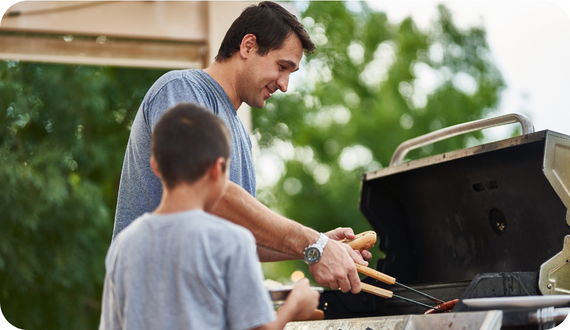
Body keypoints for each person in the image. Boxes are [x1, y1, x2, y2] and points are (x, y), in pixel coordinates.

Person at [113, 1, 371, 293]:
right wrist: (313, 243)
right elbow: (206, 190)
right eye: (282, 66)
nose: (285, 85)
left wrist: (317, 245)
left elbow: (241, 235)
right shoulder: (180, 89)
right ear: (248, 45)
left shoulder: (239, 134)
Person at [100, 103, 320, 330]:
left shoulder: (124, 245)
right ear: (218, 169)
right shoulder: (232, 241)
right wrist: (295, 306)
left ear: (155, 165)